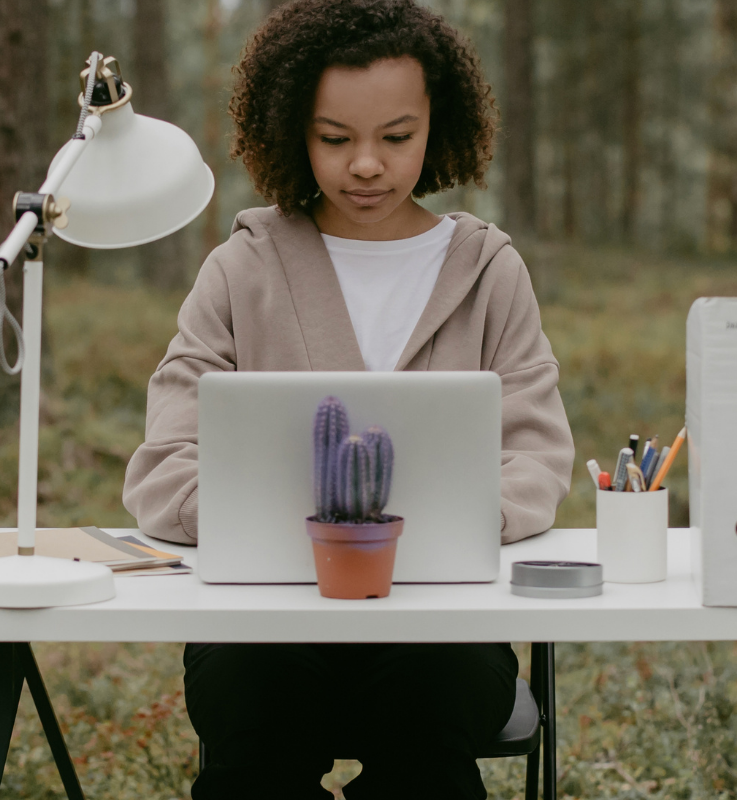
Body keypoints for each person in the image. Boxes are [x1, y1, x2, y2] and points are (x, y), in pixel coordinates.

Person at [122, 1, 574, 797]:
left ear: (440, 125)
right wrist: (266, 523)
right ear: (293, 129)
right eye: (336, 138)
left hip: (439, 625)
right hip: (263, 625)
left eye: (396, 137)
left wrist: (437, 529)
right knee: (256, 723)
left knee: (427, 728)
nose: (366, 164)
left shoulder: (488, 270)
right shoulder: (241, 269)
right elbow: (163, 468)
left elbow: (536, 457)